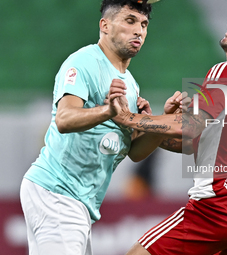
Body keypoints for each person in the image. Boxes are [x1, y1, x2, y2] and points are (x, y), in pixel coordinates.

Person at [112, 2, 227, 254]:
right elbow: (191, 144)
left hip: (219, 206)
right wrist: (155, 125)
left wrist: (127, 118)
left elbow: (188, 127)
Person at [19, 0, 184, 254]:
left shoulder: (130, 84)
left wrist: (158, 123)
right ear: (104, 26)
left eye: (143, 24)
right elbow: (64, 119)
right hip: (56, 191)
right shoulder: (83, 62)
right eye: (130, 21)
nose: (139, 30)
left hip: (79, 202)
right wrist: (108, 110)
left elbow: (135, 153)